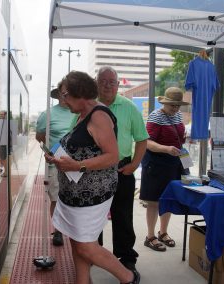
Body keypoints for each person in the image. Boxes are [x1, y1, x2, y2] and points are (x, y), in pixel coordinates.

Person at [48, 71, 140, 284]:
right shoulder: (80, 115)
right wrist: (58, 157)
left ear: (79, 93)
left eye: (65, 95)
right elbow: (84, 148)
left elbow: (112, 156)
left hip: (91, 196)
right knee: (76, 243)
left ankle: (127, 277)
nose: (63, 100)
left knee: (85, 246)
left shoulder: (99, 115)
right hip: (72, 195)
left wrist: (77, 165)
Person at [96, 66, 148, 272]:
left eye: (112, 81)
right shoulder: (89, 107)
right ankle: (93, 251)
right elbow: (71, 136)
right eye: (103, 81)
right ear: (96, 83)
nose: (108, 85)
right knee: (94, 215)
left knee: (123, 216)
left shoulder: (129, 107)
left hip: (122, 169)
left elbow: (142, 140)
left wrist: (134, 165)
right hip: (94, 171)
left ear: (118, 85)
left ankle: (126, 258)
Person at [139, 87, 190, 252]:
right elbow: (147, 142)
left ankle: (163, 232)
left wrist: (184, 140)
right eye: (172, 105)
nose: (175, 109)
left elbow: (178, 135)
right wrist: (166, 148)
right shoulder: (156, 115)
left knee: (168, 198)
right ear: (165, 103)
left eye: (177, 105)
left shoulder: (178, 115)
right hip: (156, 162)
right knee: (153, 201)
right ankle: (150, 236)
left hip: (174, 162)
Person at [36, 81, 76, 246]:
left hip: (77, 163)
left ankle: (74, 230)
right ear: (58, 94)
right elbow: (39, 136)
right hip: (56, 164)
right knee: (56, 199)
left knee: (74, 199)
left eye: (69, 92)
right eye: (64, 93)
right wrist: (51, 150)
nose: (66, 96)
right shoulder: (48, 114)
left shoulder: (79, 112)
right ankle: (57, 231)